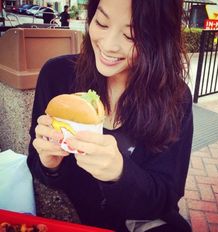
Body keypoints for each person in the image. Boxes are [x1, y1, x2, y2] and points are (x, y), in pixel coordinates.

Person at [27, 0, 193, 231]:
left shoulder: (176, 97)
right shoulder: (57, 76)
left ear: (158, 38)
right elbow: (37, 165)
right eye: (102, 23)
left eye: (131, 36)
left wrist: (120, 173)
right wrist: (50, 164)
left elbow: (166, 196)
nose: (108, 45)